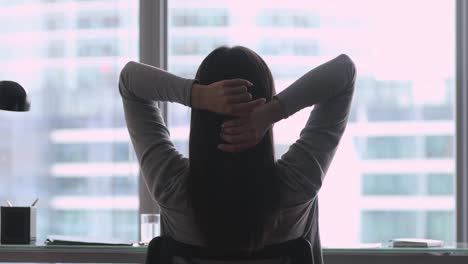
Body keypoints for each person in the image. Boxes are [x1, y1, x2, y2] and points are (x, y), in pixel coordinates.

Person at [119, 46, 356, 263]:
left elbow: (129, 81)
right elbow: (344, 72)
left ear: (199, 118)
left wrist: (198, 96)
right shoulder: (298, 183)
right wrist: (273, 110)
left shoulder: (172, 188)